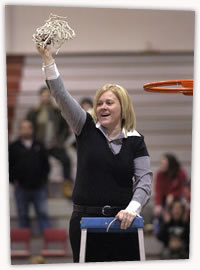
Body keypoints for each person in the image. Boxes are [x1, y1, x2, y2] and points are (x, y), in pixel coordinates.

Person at [36, 44, 153, 262]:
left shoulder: (136, 140)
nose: (102, 107)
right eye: (99, 103)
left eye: (109, 102)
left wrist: (132, 209)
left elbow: (144, 181)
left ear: (123, 107)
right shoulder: (85, 126)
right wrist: (47, 59)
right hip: (84, 223)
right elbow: (60, 95)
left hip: (123, 224)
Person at [26, 86, 72, 199]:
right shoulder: (34, 112)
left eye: (47, 95)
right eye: (43, 95)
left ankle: (67, 187)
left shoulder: (57, 111)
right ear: (40, 97)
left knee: (66, 160)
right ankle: (43, 188)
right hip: (40, 145)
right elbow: (29, 126)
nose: (46, 97)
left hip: (55, 145)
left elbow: (65, 128)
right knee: (41, 165)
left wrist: (61, 141)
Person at [9, 120, 50, 234]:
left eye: (28, 127)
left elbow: (46, 165)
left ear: (32, 129)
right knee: (22, 215)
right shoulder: (13, 147)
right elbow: (8, 165)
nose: (26, 130)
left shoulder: (39, 145)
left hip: (39, 187)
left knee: (43, 213)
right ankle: (24, 243)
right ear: (19, 130)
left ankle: (49, 243)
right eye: (23, 128)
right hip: (21, 187)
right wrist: (13, 180)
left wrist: (43, 180)